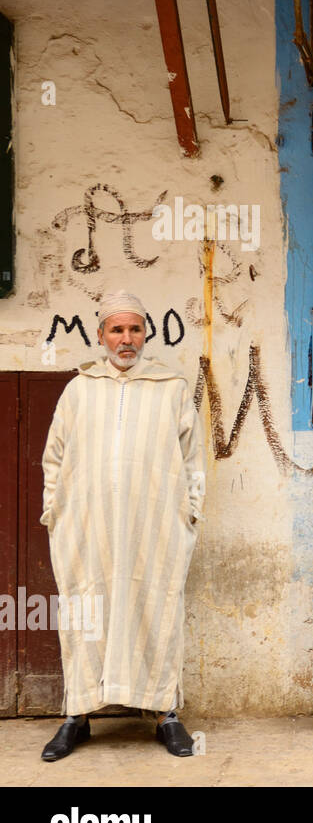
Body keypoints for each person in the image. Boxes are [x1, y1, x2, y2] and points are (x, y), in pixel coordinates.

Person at [38, 290, 205, 760]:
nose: (126, 339)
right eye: (117, 329)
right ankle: (77, 715)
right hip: (87, 526)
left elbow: (193, 458)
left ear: (145, 334)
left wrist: (190, 511)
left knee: (156, 607)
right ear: (101, 335)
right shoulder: (80, 389)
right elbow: (55, 457)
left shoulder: (171, 387)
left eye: (134, 329)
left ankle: (165, 714)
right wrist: (56, 509)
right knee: (84, 610)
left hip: (153, 525)